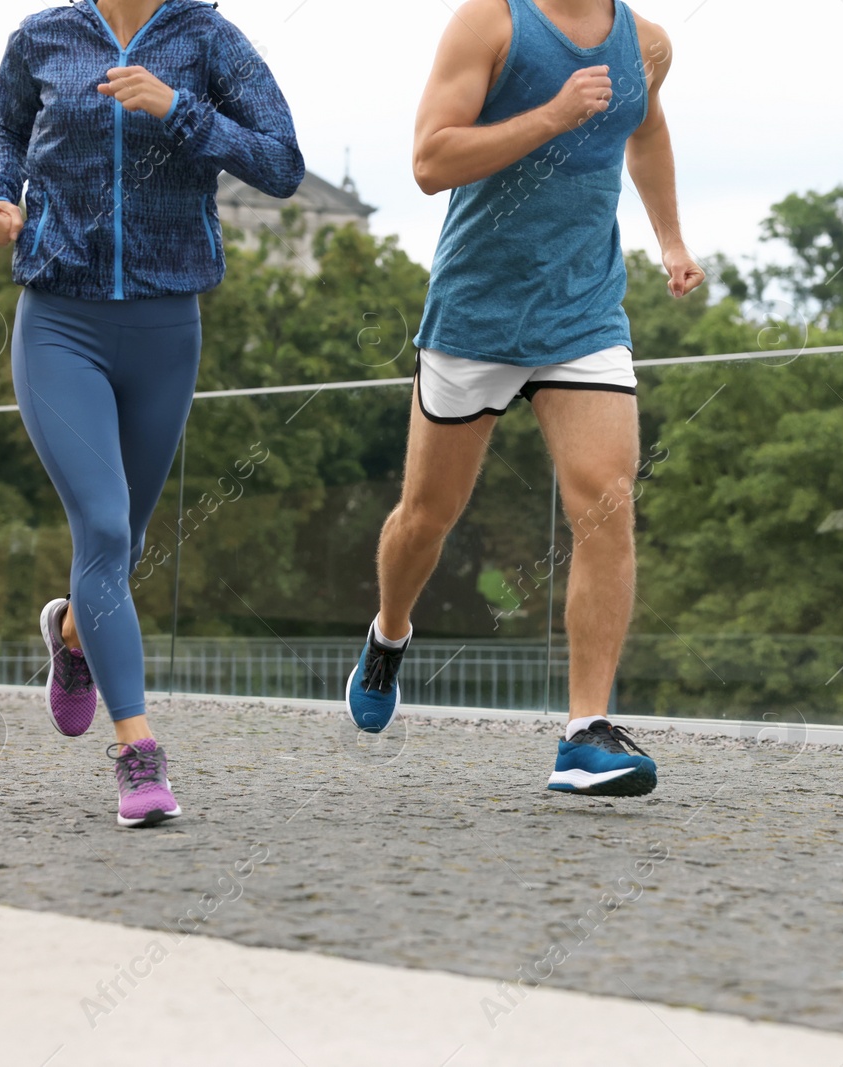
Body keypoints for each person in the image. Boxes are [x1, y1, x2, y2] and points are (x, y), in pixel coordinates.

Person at [346, 0, 704, 797]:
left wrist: (671, 238)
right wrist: (549, 113)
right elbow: (431, 161)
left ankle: (584, 734)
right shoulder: (490, 24)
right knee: (425, 519)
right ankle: (389, 632)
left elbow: (644, 131)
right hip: (476, 313)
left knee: (608, 500)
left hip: (584, 313)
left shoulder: (646, 45)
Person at [0, 0, 304, 827]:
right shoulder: (42, 37)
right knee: (108, 528)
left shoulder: (209, 41)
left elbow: (282, 164)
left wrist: (178, 109)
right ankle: (137, 750)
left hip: (166, 325)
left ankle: (76, 635)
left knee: (125, 539)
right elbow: (8, 136)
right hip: (59, 321)